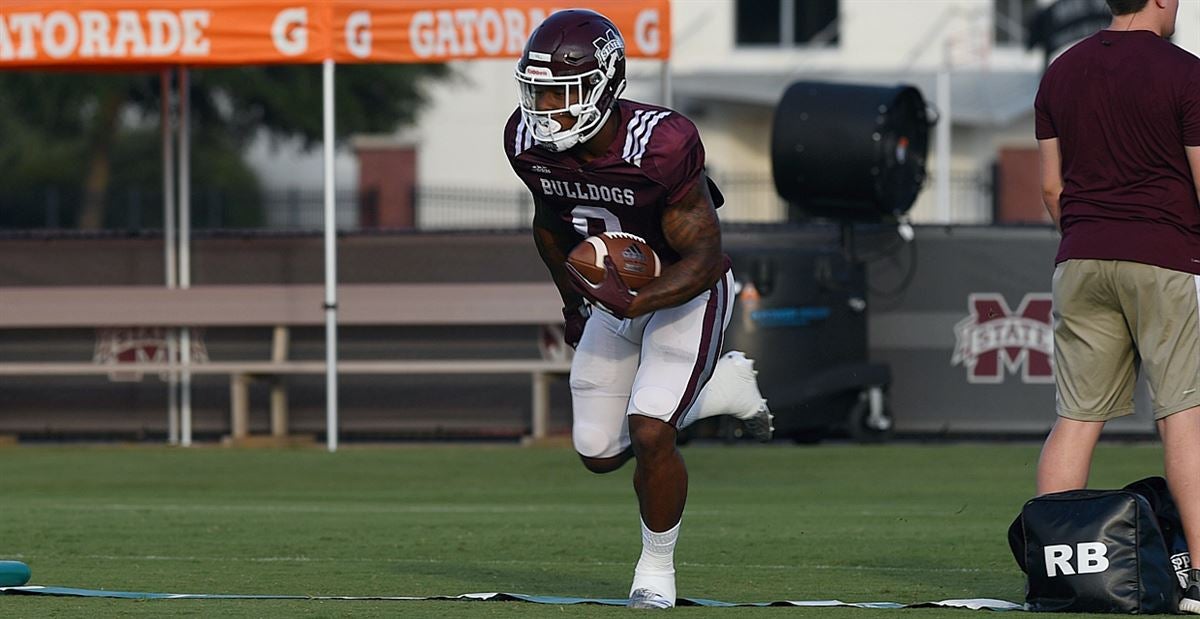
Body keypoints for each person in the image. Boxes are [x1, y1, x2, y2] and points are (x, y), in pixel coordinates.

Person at [503, 9, 773, 609]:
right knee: (598, 452)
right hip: (612, 298)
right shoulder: (526, 142)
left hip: (686, 292)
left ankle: (655, 571)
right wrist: (574, 304)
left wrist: (632, 298)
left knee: (651, 432)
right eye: (537, 90)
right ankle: (716, 392)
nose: (544, 107)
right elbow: (549, 225)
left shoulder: (661, 144)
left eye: (560, 92)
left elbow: (706, 256)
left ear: (605, 83)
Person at [1033, 0, 1200, 612]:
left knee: (1076, 419)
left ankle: (1052, 573)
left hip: (1080, 256)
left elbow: (1052, 188)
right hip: (1163, 256)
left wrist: (1086, 235)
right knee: (1182, 415)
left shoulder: (1061, 70)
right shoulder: (1185, 72)